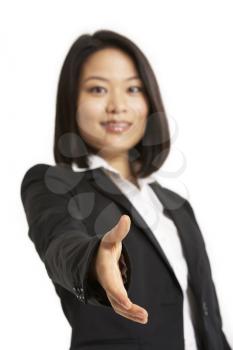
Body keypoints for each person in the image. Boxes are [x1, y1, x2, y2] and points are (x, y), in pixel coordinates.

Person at [20, 30, 231, 350]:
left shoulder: (177, 206)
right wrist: (93, 260)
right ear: (72, 101)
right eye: (98, 89)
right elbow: (60, 241)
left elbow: (206, 317)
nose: (117, 105)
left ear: (149, 101)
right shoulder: (54, 184)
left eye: (133, 88)